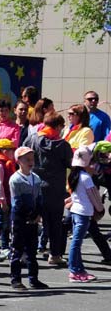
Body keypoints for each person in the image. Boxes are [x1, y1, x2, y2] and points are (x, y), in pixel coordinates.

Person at [24, 114, 73, 266]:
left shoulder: (32, 139)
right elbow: (71, 164)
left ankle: (26, 253)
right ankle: (55, 254)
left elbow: (21, 154)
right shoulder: (62, 145)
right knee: (54, 224)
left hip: (34, 186)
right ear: (58, 126)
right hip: (55, 189)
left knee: (31, 221)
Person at [8, 146, 48, 290]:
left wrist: (38, 214)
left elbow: (39, 198)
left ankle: (34, 278)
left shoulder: (36, 178)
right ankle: (16, 279)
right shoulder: (16, 179)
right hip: (19, 218)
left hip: (33, 219)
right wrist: (28, 216)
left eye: (32, 159)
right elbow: (18, 202)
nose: (31, 162)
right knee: (17, 249)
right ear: (19, 161)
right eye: (27, 159)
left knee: (32, 250)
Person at [66, 145, 100, 283]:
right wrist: (100, 209)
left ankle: (79, 269)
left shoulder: (73, 175)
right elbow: (94, 196)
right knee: (76, 242)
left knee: (76, 242)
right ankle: (74, 270)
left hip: (75, 210)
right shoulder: (85, 177)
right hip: (84, 212)